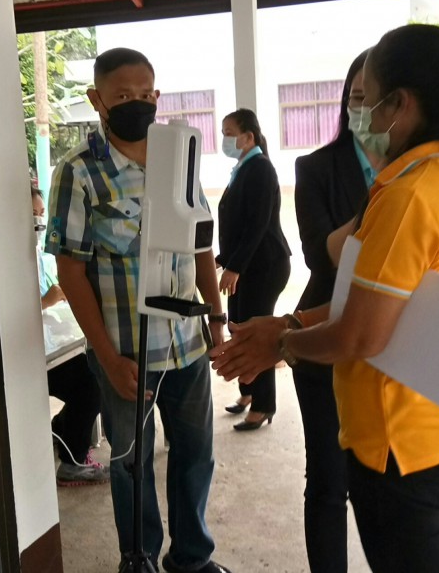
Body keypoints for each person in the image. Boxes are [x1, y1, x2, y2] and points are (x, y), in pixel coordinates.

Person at [210, 24, 439, 573]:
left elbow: (361, 333)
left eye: (370, 99)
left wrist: (282, 344)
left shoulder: (406, 194)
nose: (359, 113)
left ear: (400, 104)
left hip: (400, 444)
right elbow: (381, 301)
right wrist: (290, 323)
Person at [46, 47, 231, 573]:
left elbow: (200, 245)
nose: (137, 103)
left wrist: (216, 319)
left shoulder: (180, 159)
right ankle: (139, 558)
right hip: (126, 355)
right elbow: (71, 274)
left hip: (187, 344)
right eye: (123, 95)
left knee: (195, 455)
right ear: (97, 99)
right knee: (131, 464)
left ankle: (192, 558)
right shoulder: (80, 172)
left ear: (157, 96)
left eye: (145, 94)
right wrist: (107, 359)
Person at [291, 48, 379, 573]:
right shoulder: (316, 167)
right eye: (357, 97)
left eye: (380, 98)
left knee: (392, 482)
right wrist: (385, 198)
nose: (366, 109)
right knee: (328, 480)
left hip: (393, 338)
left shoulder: (432, 172)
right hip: (325, 333)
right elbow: (319, 255)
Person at [217, 108, 290, 431]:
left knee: (255, 333)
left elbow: (257, 225)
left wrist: (234, 266)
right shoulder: (243, 168)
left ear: (248, 137)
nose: (224, 140)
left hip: (264, 267)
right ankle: (247, 391)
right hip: (246, 265)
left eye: (229, 133)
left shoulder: (260, 168)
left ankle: (263, 405)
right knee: (238, 326)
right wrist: (223, 259)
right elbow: (239, 224)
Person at [31, 186, 109, 486]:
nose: (39, 221)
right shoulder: (8, 258)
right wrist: (45, 301)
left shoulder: (39, 253)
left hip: (51, 342)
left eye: (41, 213)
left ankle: (62, 431)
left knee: (93, 371)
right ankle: (72, 463)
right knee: (90, 386)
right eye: (32, 214)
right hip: (26, 355)